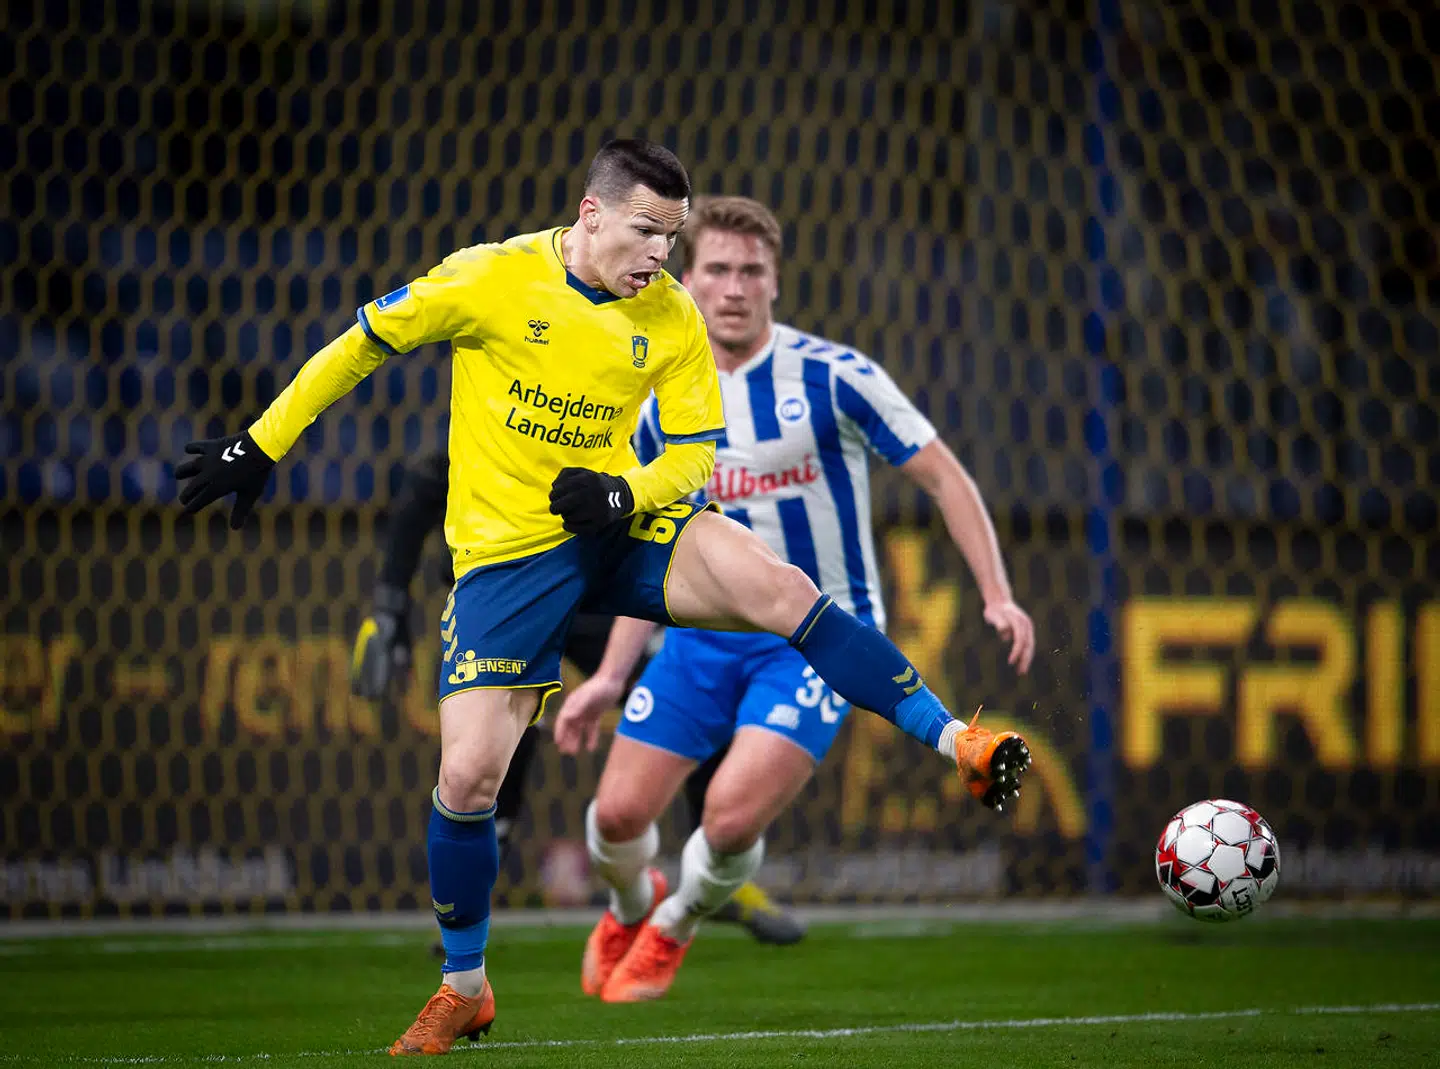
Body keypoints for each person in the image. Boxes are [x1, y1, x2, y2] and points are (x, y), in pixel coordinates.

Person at [175, 139, 1031, 1057]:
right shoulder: (488, 279)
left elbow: (695, 456)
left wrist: (627, 494)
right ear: (591, 214)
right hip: (507, 559)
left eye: (674, 235)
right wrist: (261, 445)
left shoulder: (669, 317)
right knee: (467, 779)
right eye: (647, 231)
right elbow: (363, 344)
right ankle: (465, 982)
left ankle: (958, 739)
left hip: (618, 528)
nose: (662, 255)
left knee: (780, 583)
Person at [551, 196, 1036, 1004]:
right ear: (686, 274)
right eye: (718, 269)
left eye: (752, 271)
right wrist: (607, 676)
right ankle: (629, 904)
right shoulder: (649, 393)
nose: (734, 287)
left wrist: (997, 593)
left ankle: (673, 925)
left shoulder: (834, 376)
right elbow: (649, 547)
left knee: (733, 819)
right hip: (698, 641)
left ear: (776, 280)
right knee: (615, 819)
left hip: (816, 641)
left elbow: (943, 475)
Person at [350, 448, 807, 947]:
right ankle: (468, 909)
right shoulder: (505, 413)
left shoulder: (611, 413)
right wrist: (388, 607)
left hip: (595, 596)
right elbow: (424, 485)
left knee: (686, 702)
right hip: (506, 599)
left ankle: (721, 876)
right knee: (491, 749)